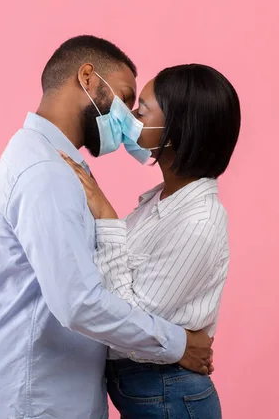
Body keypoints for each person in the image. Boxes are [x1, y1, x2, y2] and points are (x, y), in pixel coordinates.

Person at [0, 36, 214, 419]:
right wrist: (179, 343)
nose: (130, 122)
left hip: (52, 393)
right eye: (126, 99)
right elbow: (78, 302)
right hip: (37, 399)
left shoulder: (54, 161)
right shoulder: (44, 172)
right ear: (87, 78)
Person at [61, 63, 241, 418]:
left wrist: (106, 216)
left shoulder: (198, 222)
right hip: (150, 390)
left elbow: (133, 322)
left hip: (168, 394)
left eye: (141, 109)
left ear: (176, 130)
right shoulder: (160, 203)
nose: (129, 116)